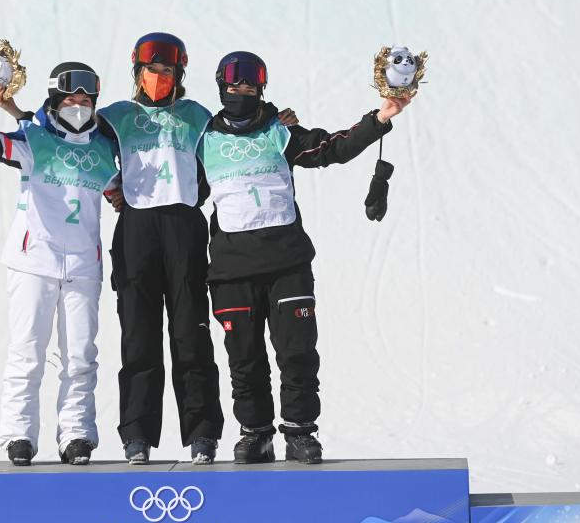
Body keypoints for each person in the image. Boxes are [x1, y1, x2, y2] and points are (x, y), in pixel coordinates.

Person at [197, 51, 413, 464]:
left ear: (261, 89)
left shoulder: (280, 133)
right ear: (221, 88)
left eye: (249, 86)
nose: (240, 92)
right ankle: (255, 433)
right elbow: (177, 185)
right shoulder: (204, 139)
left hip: (286, 264)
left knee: (296, 354)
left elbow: (333, 148)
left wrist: (381, 117)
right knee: (245, 360)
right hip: (230, 269)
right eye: (233, 85)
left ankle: (299, 432)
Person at [0, 61, 119, 466]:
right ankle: (19, 434)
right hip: (33, 260)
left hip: (83, 266)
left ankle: (77, 434)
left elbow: (118, 189)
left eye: (87, 98)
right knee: (28, 352)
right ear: (56, 100)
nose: (80, 104)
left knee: (80, 355)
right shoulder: (34, 139)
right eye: (71, 98)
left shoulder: (105, 148)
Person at [93, 32, 226, 465]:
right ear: (137, 71)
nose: (160, 77)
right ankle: (137, 436)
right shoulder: (115, 116)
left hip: (183, 226)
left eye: (168, 71)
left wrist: (273, 119)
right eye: (153, 69)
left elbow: (225, 154)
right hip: (136, 228)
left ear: (179, 75)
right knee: (138, 336)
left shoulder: (196, 116)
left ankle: (202, 433)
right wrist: (112, 186)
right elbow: (76, 143)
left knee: (191, 333)